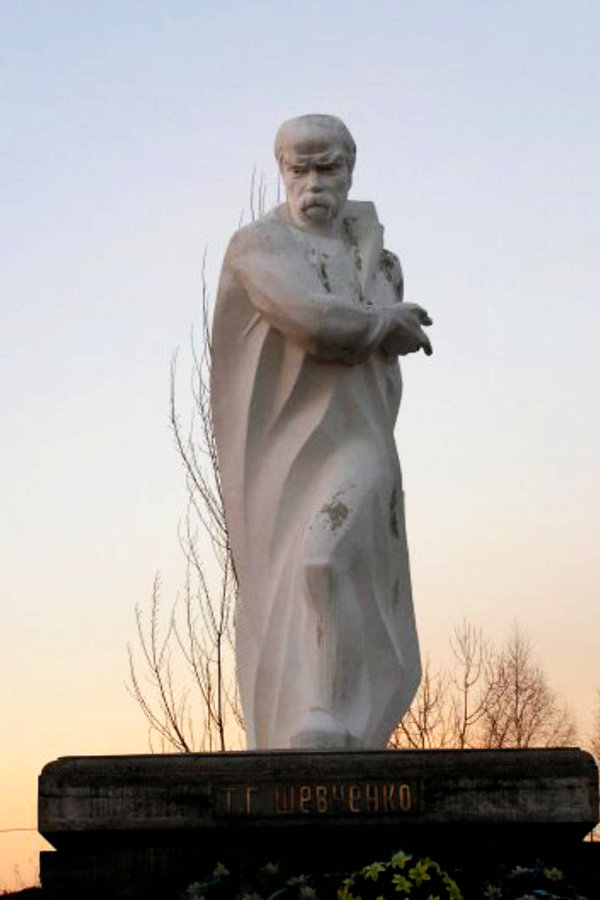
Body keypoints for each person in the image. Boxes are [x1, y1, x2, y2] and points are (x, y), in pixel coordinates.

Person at [211, 114, 432, 749]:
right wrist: (382, 324)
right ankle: (306, 718)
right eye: (298, 168)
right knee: (284, 592)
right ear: (283, 171)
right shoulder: (258, 246)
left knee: (325, 557)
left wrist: (383, 315)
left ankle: (326, 714)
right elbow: (309, 320)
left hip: (358, 443)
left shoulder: (378, 260)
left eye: (327, 167)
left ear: (349, 169)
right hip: (284, 459)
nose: (313, 182)